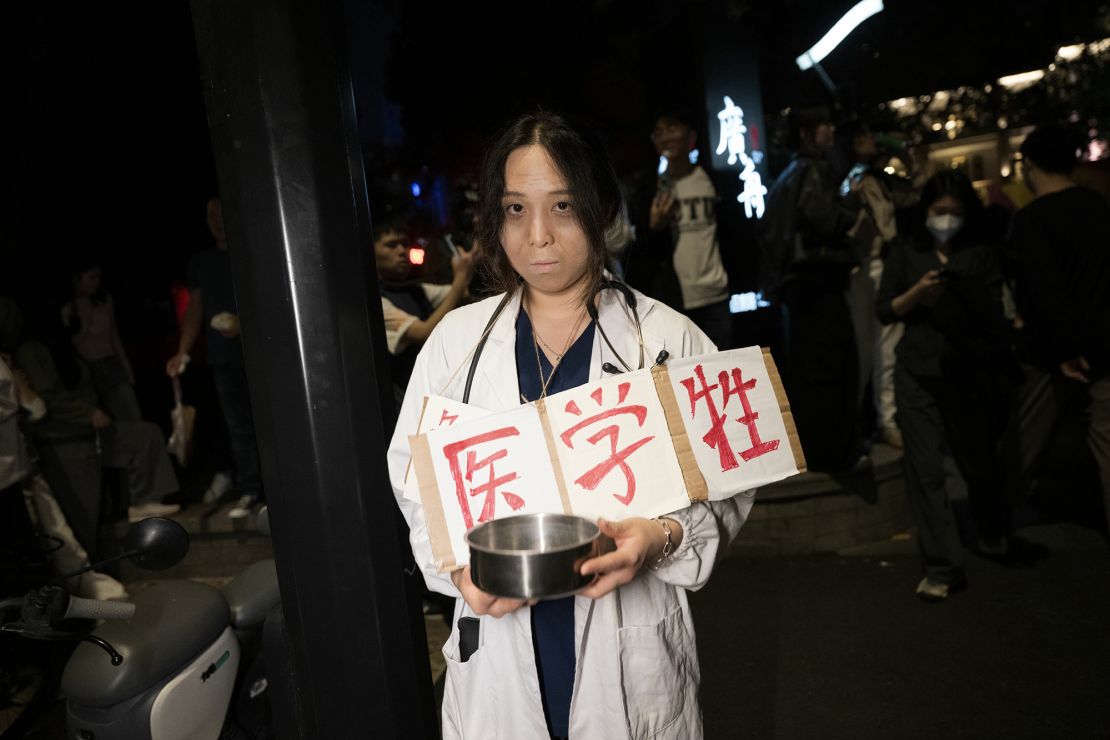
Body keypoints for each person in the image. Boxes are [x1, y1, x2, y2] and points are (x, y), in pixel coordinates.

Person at [387, 112, 754, 739]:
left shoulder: (668, 341)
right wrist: (457, 571)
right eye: (513, 210)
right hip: (497, 644)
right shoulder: (456, 346)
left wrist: (661, 535)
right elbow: (414, 478)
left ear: (602, 207)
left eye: (562, 206)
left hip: (630, 647)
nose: (538, 237)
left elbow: (729, 486)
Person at [877, 170, 1016, 602]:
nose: (947, 220)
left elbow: (998, 312)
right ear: (925, 212)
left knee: (978, 461)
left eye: (955, 213)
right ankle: (942, 565)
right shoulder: (906, 251)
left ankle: (992, 529)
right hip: (917, 370)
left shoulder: (979, 254)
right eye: (940, 212)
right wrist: (918, 294)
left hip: (968, 371)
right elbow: (886, 310)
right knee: (926, 470)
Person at [15, 301, 180, 558]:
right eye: (65, 308)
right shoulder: (32, 351)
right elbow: (43, 402)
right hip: (62, 440)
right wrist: (86, 412)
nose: (70, 313)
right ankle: (82, 578)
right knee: (80, 517)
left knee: (144, 435)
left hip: (88, 434)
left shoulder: (65, 347)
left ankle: (142, 500)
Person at [1008, 124, 1110, 533]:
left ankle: (1001, 519)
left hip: (1051, 354)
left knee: (1022, 438)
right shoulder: (1099, 207)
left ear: (1029, 165)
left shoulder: (1031, 221)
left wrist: (1064, 351)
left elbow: (1041, 294)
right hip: (1104, 348)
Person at [760, 104, 865, 471]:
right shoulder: (814, 170)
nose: (831, 131)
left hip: (798, 285)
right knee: (834, 367)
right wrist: (854, 198)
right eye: (824, 124)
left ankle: (818, 450)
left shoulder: (788, 173)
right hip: (820, 282)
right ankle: (837, 454)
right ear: (807, 132)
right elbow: (826, 219)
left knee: (809, 369)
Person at [166, 198, 263, 520]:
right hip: (222, 358)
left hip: (260, 354)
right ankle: (251, 490)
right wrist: (183, 350)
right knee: (238, 427)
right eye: (211, 214)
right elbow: (195, 309)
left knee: (266, 422)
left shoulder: (251, 253)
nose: (217, 220)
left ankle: (273, 487)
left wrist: (244, 323)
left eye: (223, 212)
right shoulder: (201, 262)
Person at [625, 107, 735, 349]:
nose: (665, 137)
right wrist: (654, 228)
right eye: (658, 132)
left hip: (715, 292)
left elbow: (732, 235)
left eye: (672, 129)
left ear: (691, 137)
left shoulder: (714, 181)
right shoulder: (649, 189)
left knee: (722, 365)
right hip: (673, 298)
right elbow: (639, 251)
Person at [835, 120, 906, 448]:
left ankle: (885, 419)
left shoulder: (877, 178)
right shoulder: (853, 179)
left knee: (886, 348)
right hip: (863, 269)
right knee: (867, 350)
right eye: (863, 135)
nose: (872, 140)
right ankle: (865, 423)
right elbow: (851, 224)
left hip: (883, 266)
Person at [374, 209, 475, 398]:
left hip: (436, 391)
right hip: (407, 397)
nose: (402, 251)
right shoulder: (377, 302)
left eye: (404, 244)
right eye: (391, 245)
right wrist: (461, 277)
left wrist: (476, 262)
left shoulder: (417, 289)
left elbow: (459, 294)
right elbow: (423, 332)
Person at [63, 260, 142, 422]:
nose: (97, 282)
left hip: (110, 365)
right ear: (77, 278)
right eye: (92, 278)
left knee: (131, 414)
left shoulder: (104, 300)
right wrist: (83, 311)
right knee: (107, 421)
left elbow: (114, 336)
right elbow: (73, 343)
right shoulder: (68, 307)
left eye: (99, 277)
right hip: (88, 370)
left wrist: (126, 368)